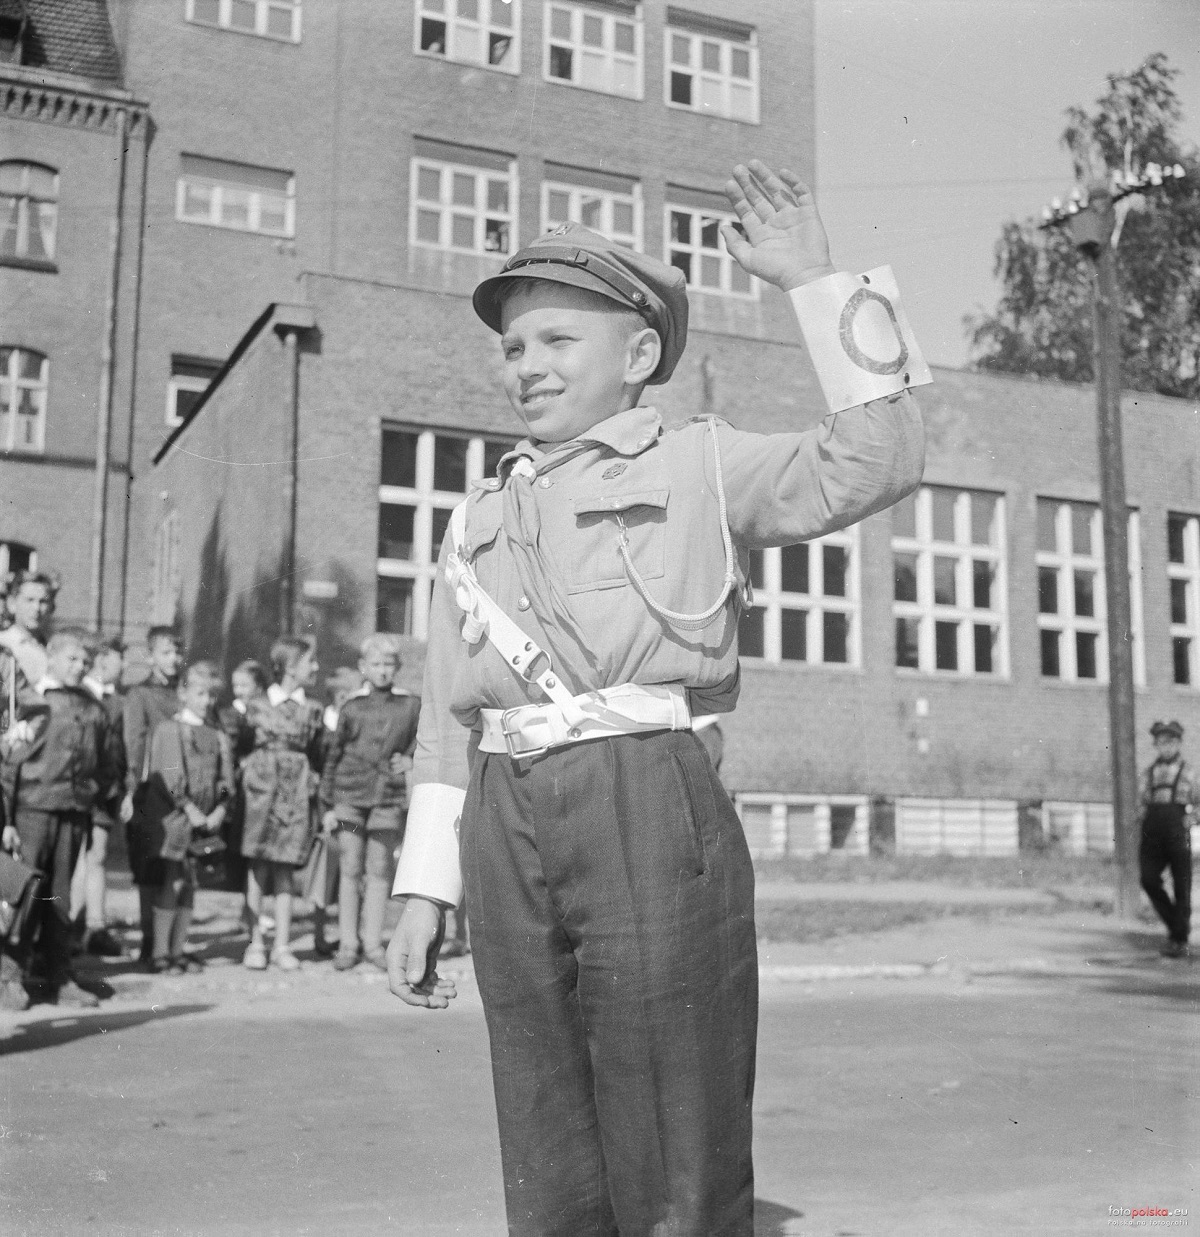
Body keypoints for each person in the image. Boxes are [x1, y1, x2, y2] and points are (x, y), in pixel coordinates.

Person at [385, 160, 928, 1233]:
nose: (527, 366)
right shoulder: (476, 518)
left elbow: (883, 458)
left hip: (641, 789)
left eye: (556, 339)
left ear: (638, 356)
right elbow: (449, 717)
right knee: (542, 1124)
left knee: (675, 1121)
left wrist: (814, 279)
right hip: (502, 808)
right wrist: (423, 891)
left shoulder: (698, 465)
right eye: (513, 347)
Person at [0, 631, 122, 1009]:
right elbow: (9, 765)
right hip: (31, 810)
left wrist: (93, 797)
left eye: (85, 661)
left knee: (60, 896)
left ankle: (59, 975)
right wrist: (7, 820)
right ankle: (9, 976)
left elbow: (108, 761)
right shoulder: (31, 702)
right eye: (72, 659)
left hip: (74, 812)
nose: (79, 666)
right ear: (50, 657)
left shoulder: (94, 708)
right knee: (23, 894)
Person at [320, 635, 419, 971]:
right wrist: (327, 803)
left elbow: (421, 741)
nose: (382, 671)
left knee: (379, 870)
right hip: (349, 797)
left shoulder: (410, 705)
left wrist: (409, 760)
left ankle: (373, 945)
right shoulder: (352, 707)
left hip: (388, 797)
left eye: (388, 664)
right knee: (350, 868)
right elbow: (334, 755)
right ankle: (348, 944)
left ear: (397, 667)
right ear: (363, 667)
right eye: (375, 664)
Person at [142, 661, 234, 973]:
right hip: (178, 818)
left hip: (206, 820)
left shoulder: (217, 734)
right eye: (200, 693)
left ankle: (178, 950)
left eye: (211, 695)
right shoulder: (171, 729)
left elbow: (225, 778)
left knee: (192, 883)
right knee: (174, 880)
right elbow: (170, 773)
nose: (206, 701)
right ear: (183, 693)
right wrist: (190, 809)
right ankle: (160, 952)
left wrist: (221, 808)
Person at [240, 636, 324, 971]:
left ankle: (282, 944)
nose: (315, 667)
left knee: (286, 867)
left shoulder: (313, 710)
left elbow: (318, 753)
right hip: (261, 792)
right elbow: (242, 744)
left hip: (296, 793)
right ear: (290, 667)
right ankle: (255, 942)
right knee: (258, 865)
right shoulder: (257, 705)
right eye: (309, 662)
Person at [122, 627, 185, 962]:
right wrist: (131, 789)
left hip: (183, 792)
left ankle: (173, 945)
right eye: (165, 653)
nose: (174, 659)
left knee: (179, 868)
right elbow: (133, 743)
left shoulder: (186, 692)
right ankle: (150, 942)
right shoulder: (140, 695)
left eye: (177, 652)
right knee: (150, 866)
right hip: (151, 792)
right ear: (150, 657)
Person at [69, 636, 127, 957]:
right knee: (76, 855)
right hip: (78, 787)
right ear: (103, 659)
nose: (125, 665)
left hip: (106, 789)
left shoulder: (117, 700)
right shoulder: (79, 694)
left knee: (98, 854)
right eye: (120, 658)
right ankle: (72, 926)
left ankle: (95, 926)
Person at [1140, 720, 1197, 958]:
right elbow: (1141, 802)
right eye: (1161, 742)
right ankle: (1178, 926)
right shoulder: (1148, 773)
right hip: (1153, 832)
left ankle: (1179, 940)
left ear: (1179, 743)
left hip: (1177, 832)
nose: (1166, 747)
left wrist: (1192, 818)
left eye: (1171, 742)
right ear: (1156, 745)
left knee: (1182, 885)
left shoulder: (1190, 772)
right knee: (1148, 879)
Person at [0, 570, 56, 735]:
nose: (37, 608)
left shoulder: (55, 649)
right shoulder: (3, 645)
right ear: (12, 604)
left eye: (43, 601)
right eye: (29, 600)